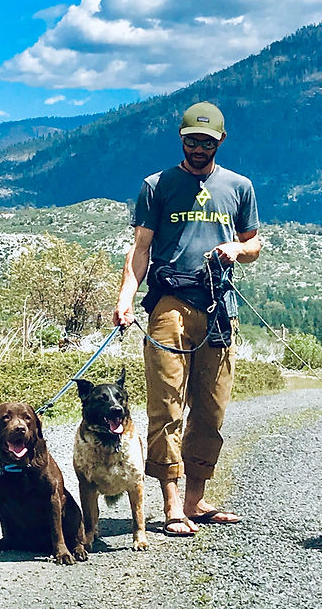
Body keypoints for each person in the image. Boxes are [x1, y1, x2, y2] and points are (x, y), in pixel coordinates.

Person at [112, 101, 261, 536]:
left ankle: (196, 499)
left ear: (221, 141)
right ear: (181, 138)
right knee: (166, 406)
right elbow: (140, 249)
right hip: (169, 305)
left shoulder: (240, 186)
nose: (198, 149)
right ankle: (172, 504)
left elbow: (254, 245)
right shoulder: (156, 185)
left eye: (207, 143)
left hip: (219, 308)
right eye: (192, 141)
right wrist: (125, 297)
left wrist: (237, 249)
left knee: (211, 410)